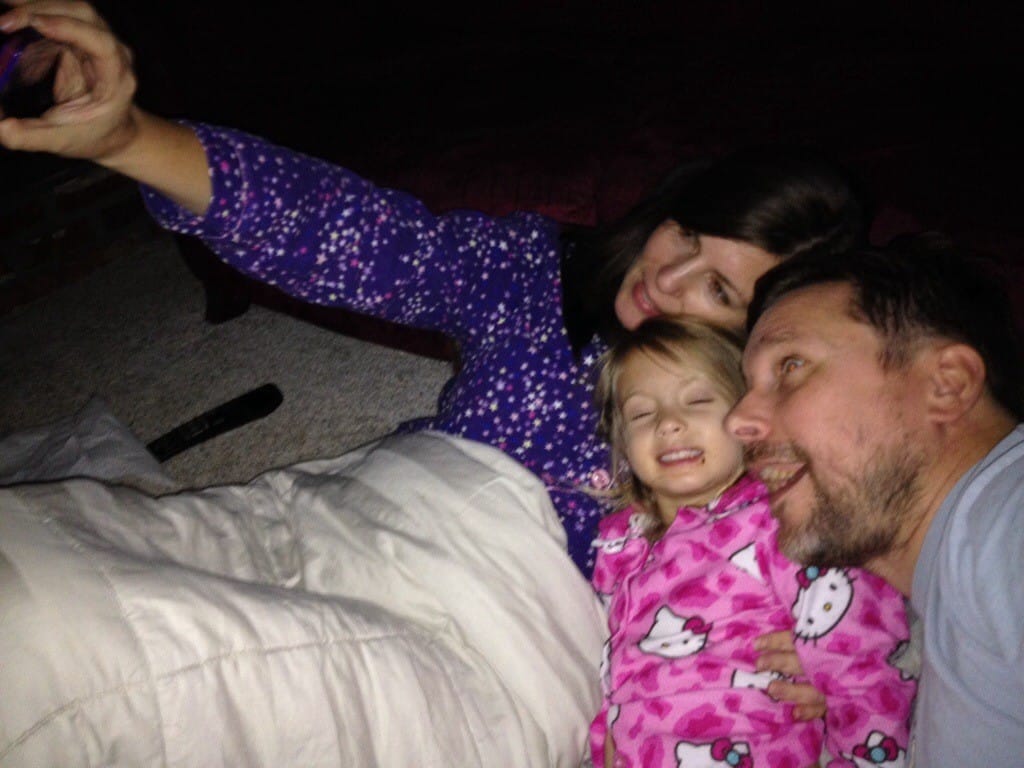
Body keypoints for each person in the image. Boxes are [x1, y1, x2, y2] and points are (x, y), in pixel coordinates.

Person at [0, 1, 865, 578]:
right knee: (49, 569)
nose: (665, 276)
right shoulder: (533, 272)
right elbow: (359, 237)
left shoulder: (760, 414)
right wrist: (127, 138)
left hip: (501, 627)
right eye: (686, 233)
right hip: (366, 517)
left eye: (716, 289)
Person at [726, 233, 1024, 766]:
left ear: (948, 384)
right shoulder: (937, 618)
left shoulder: (1007, 515)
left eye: (790, 366)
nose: (737, 421)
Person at [589, 317, 914, 768]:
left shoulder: (777, 518)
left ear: (748, 419)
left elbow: (861, 660)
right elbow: (616, 667)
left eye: (698, 400)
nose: (669, 424)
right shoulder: (620, 545)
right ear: (623, 443)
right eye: (642, 414)